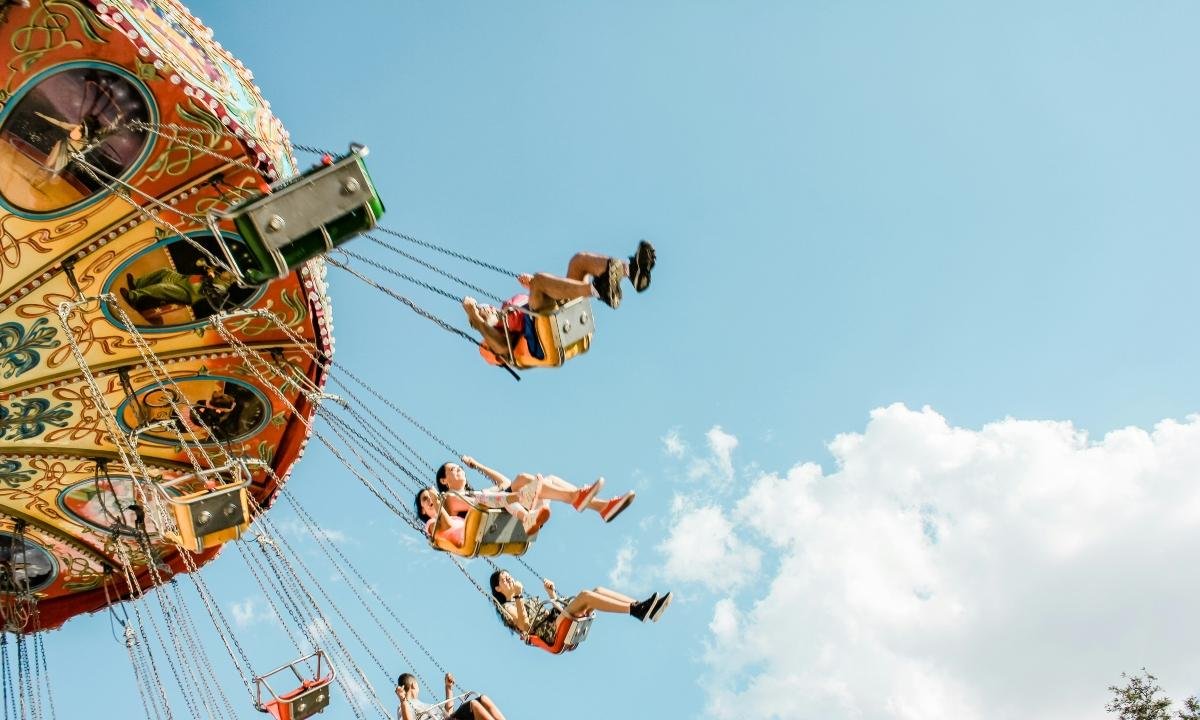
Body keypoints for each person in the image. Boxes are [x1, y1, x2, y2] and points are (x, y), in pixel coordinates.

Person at [463, 241, 656, 366]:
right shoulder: (491, 337)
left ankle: (632, 271)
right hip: (540, 336)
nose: (485, 307)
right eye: (482, 311)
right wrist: (474, 315)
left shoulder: (508, 306)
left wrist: (531, 287)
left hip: (554, 310)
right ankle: (599, 290)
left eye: (483, 305)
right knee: (540, 280)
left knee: (578, 261)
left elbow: (538, 298)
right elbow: (504, 348)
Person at [489, 569, 672, 654]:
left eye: (509, 576)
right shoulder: (508, 607)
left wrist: (551, 593)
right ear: (498, 589)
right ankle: (637, 610)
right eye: (505, 579)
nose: (510, 579)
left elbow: (552, 612)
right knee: (585, 596)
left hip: (555, 621)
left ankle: (644, 607)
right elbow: (526, 627)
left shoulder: (522, 599)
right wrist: (519, 596)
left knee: (597, 591)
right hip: (550, 634)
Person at [395, 672, 507, 720]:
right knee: (473, 704)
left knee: (483, 699)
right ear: (414, 685)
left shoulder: (424, 705)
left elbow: (448, 711)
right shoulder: (405, 706)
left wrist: (448, 688)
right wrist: (403, 700)